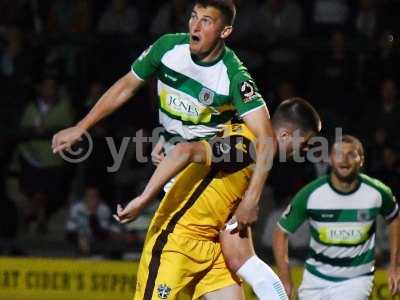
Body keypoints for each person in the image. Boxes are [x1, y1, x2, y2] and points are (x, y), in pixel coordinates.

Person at [52, 0, 278, 297]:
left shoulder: (233, 76)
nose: (195, 26)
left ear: (225, 31)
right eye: (194, 17)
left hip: (203, 178)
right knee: (232, 264)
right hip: (172, 165)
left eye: (206, 21)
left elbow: (267, 138)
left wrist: (252, 199)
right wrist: (81, 126)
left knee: (225, 255)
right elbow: (125, 86)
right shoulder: (168, 49)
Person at [115, 98, 321, 299]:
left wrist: (168, 138)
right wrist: (143, 199)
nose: (306, 150)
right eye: (305, 143)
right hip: (176, 242)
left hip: (213, 249)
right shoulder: (245, 147)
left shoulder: (253, 148)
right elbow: (185, 151)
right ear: (285, 135)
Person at [272, 135, 400, 299]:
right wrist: (285, 278)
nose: (344, 160)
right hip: (314, 281)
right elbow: (280, 232)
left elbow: (394, 217)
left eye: (351, 154)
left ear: (361, 160)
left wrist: (394, 266)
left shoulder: (377, 192)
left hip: (357, 281)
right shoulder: (311, 194)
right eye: (339, 154)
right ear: (331, 159)